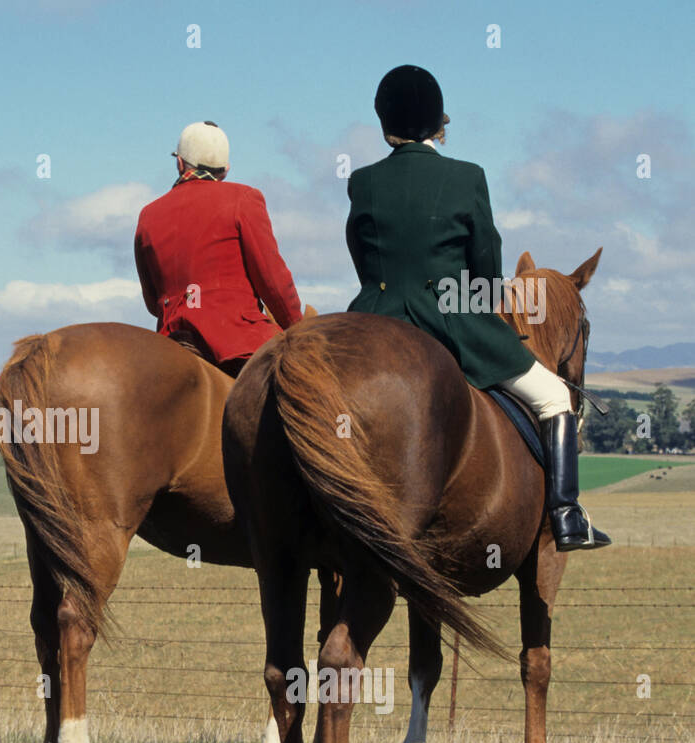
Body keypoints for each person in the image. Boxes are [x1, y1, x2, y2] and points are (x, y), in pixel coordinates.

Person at [345, 65, 608, 551]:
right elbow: (486, 274)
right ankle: (568, 517)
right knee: (554, 397)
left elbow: (362, 259)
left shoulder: (362, 181)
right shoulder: (467, 177)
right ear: (434, 122)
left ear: (385, 122)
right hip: (454, 324)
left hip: (371, 323)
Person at [134, 121, 305, 378]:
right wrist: (300, 332)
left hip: (171, 342)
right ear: (225, 170)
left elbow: (152, 302)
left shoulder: (148, 215)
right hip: (238, 343)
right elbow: (273, 283)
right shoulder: (244, 199)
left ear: (180, 163)